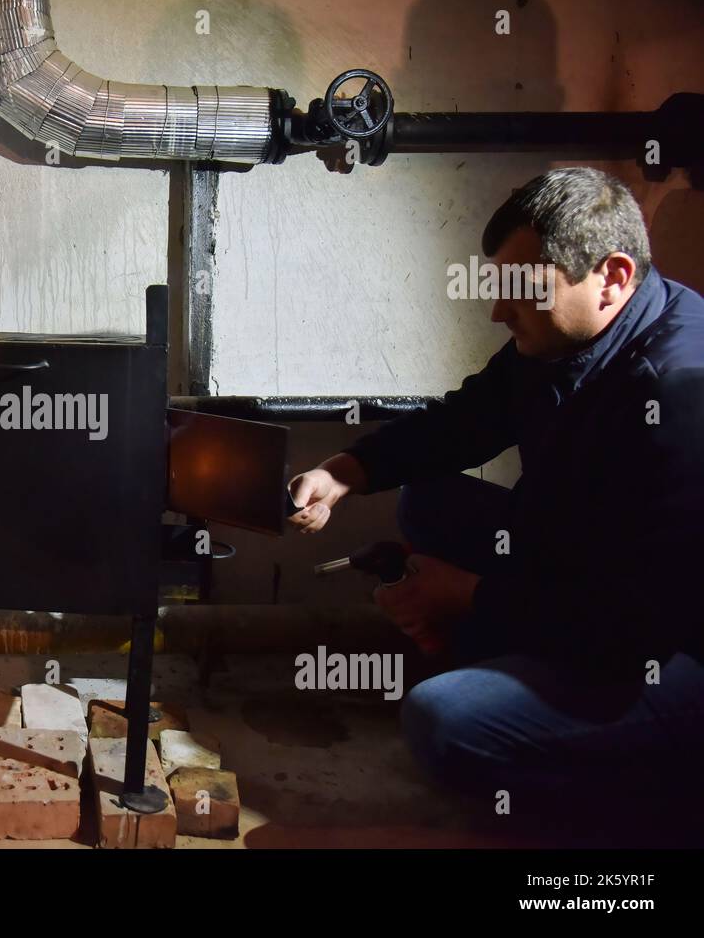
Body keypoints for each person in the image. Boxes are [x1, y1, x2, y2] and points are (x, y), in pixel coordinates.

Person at [288, 167, 704, 822]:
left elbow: (639, 618)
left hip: (669, 648)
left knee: (443, 722)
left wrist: (468, 594)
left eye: (522, 290)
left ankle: (667, 797)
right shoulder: (563, 341)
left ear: (613, 277)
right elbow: (467, 420)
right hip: (590, 577)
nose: (497, 311)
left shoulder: (679, 395)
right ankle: (508, 657)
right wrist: (347, 471)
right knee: (429, 502)